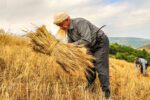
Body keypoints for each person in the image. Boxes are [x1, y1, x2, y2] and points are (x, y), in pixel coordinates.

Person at [53, 12, 110, 99]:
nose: (60, 27)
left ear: (67, 20)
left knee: (100, 66)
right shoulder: (68, 31)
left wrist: (70, 46)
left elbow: (86, 40)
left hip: (100, 43)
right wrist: (62, 49)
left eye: (61, 24)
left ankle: (106, 93)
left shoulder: (80, 22)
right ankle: (90, 87)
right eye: (58, 25)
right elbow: (71, 44)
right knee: (89, 67)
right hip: (90, 46)